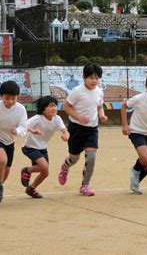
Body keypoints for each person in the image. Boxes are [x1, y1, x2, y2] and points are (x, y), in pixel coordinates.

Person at [58, 63, 108, 196]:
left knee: (91, 157)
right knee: (74, 158)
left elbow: (99, 106)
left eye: (97, 78)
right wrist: (79, 117)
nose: (94, 81)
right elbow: (66, 107)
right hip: (76, 128)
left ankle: (85, 185)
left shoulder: (99, 91)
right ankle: (65, 167)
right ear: (84, 77)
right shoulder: (77, 91)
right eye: (91, 78)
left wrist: (102, 116)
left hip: (92, 129)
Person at [20, 96, 69, 198]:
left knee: (45, 173)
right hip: (30, 147)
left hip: (42, 148)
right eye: (50, 106)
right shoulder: (38, 119)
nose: (53, 108)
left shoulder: (57, 119)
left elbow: (65, 131)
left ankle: (31, 189)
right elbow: (23, 125)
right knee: (44, 166)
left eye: (55, 106)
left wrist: (66, 136)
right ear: (43, 110)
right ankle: (27, 170)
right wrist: (33, 131)